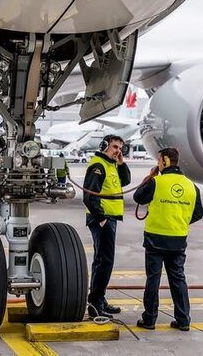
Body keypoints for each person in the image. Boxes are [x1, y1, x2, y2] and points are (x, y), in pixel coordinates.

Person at [134, 147, 203, 331]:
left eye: (159, 161)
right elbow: (198, 213)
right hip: (178, 240)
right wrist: (179, 219)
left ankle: (149, 320)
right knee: (178, 279)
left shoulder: (157, 182)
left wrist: (150, 177)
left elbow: (138, 197)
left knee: (153, 280)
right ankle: (183, 320)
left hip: (155, 240)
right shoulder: (191, 185)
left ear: (164, 161)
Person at [83, 135, 131, 318]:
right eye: (114, 147)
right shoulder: (98, 165)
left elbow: (125, 181)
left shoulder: (111, 164)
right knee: (104, 261)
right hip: (102, 219)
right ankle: (95, 304)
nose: (117, 150)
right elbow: (89, 195)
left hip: (110, 218)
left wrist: (121, 161)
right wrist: (100, 217)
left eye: (120, 148)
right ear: (104, 146)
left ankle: (99, 299)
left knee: (104, 261)